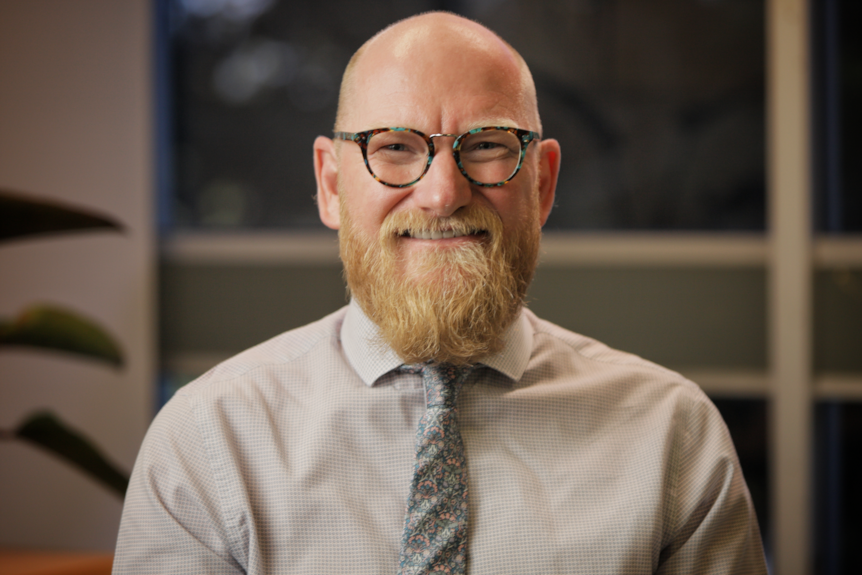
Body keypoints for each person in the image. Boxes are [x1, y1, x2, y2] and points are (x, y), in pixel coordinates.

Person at [114, 12, 767, 575]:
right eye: (395, 147)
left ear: (542, 182)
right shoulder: (209, 441)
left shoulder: (672, 438)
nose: (443, 192)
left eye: (485, 145)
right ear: (332, 184)